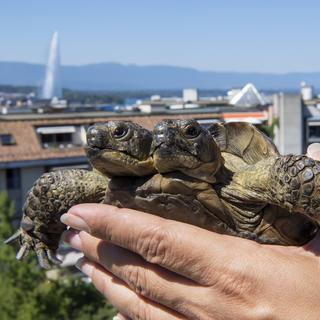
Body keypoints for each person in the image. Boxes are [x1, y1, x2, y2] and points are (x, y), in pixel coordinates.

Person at [60, 144, 320, 320]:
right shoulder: (115, 178)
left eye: (191, 133)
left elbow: (294, 174)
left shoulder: (250, 179)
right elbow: (59, 186)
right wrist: (37, 229)